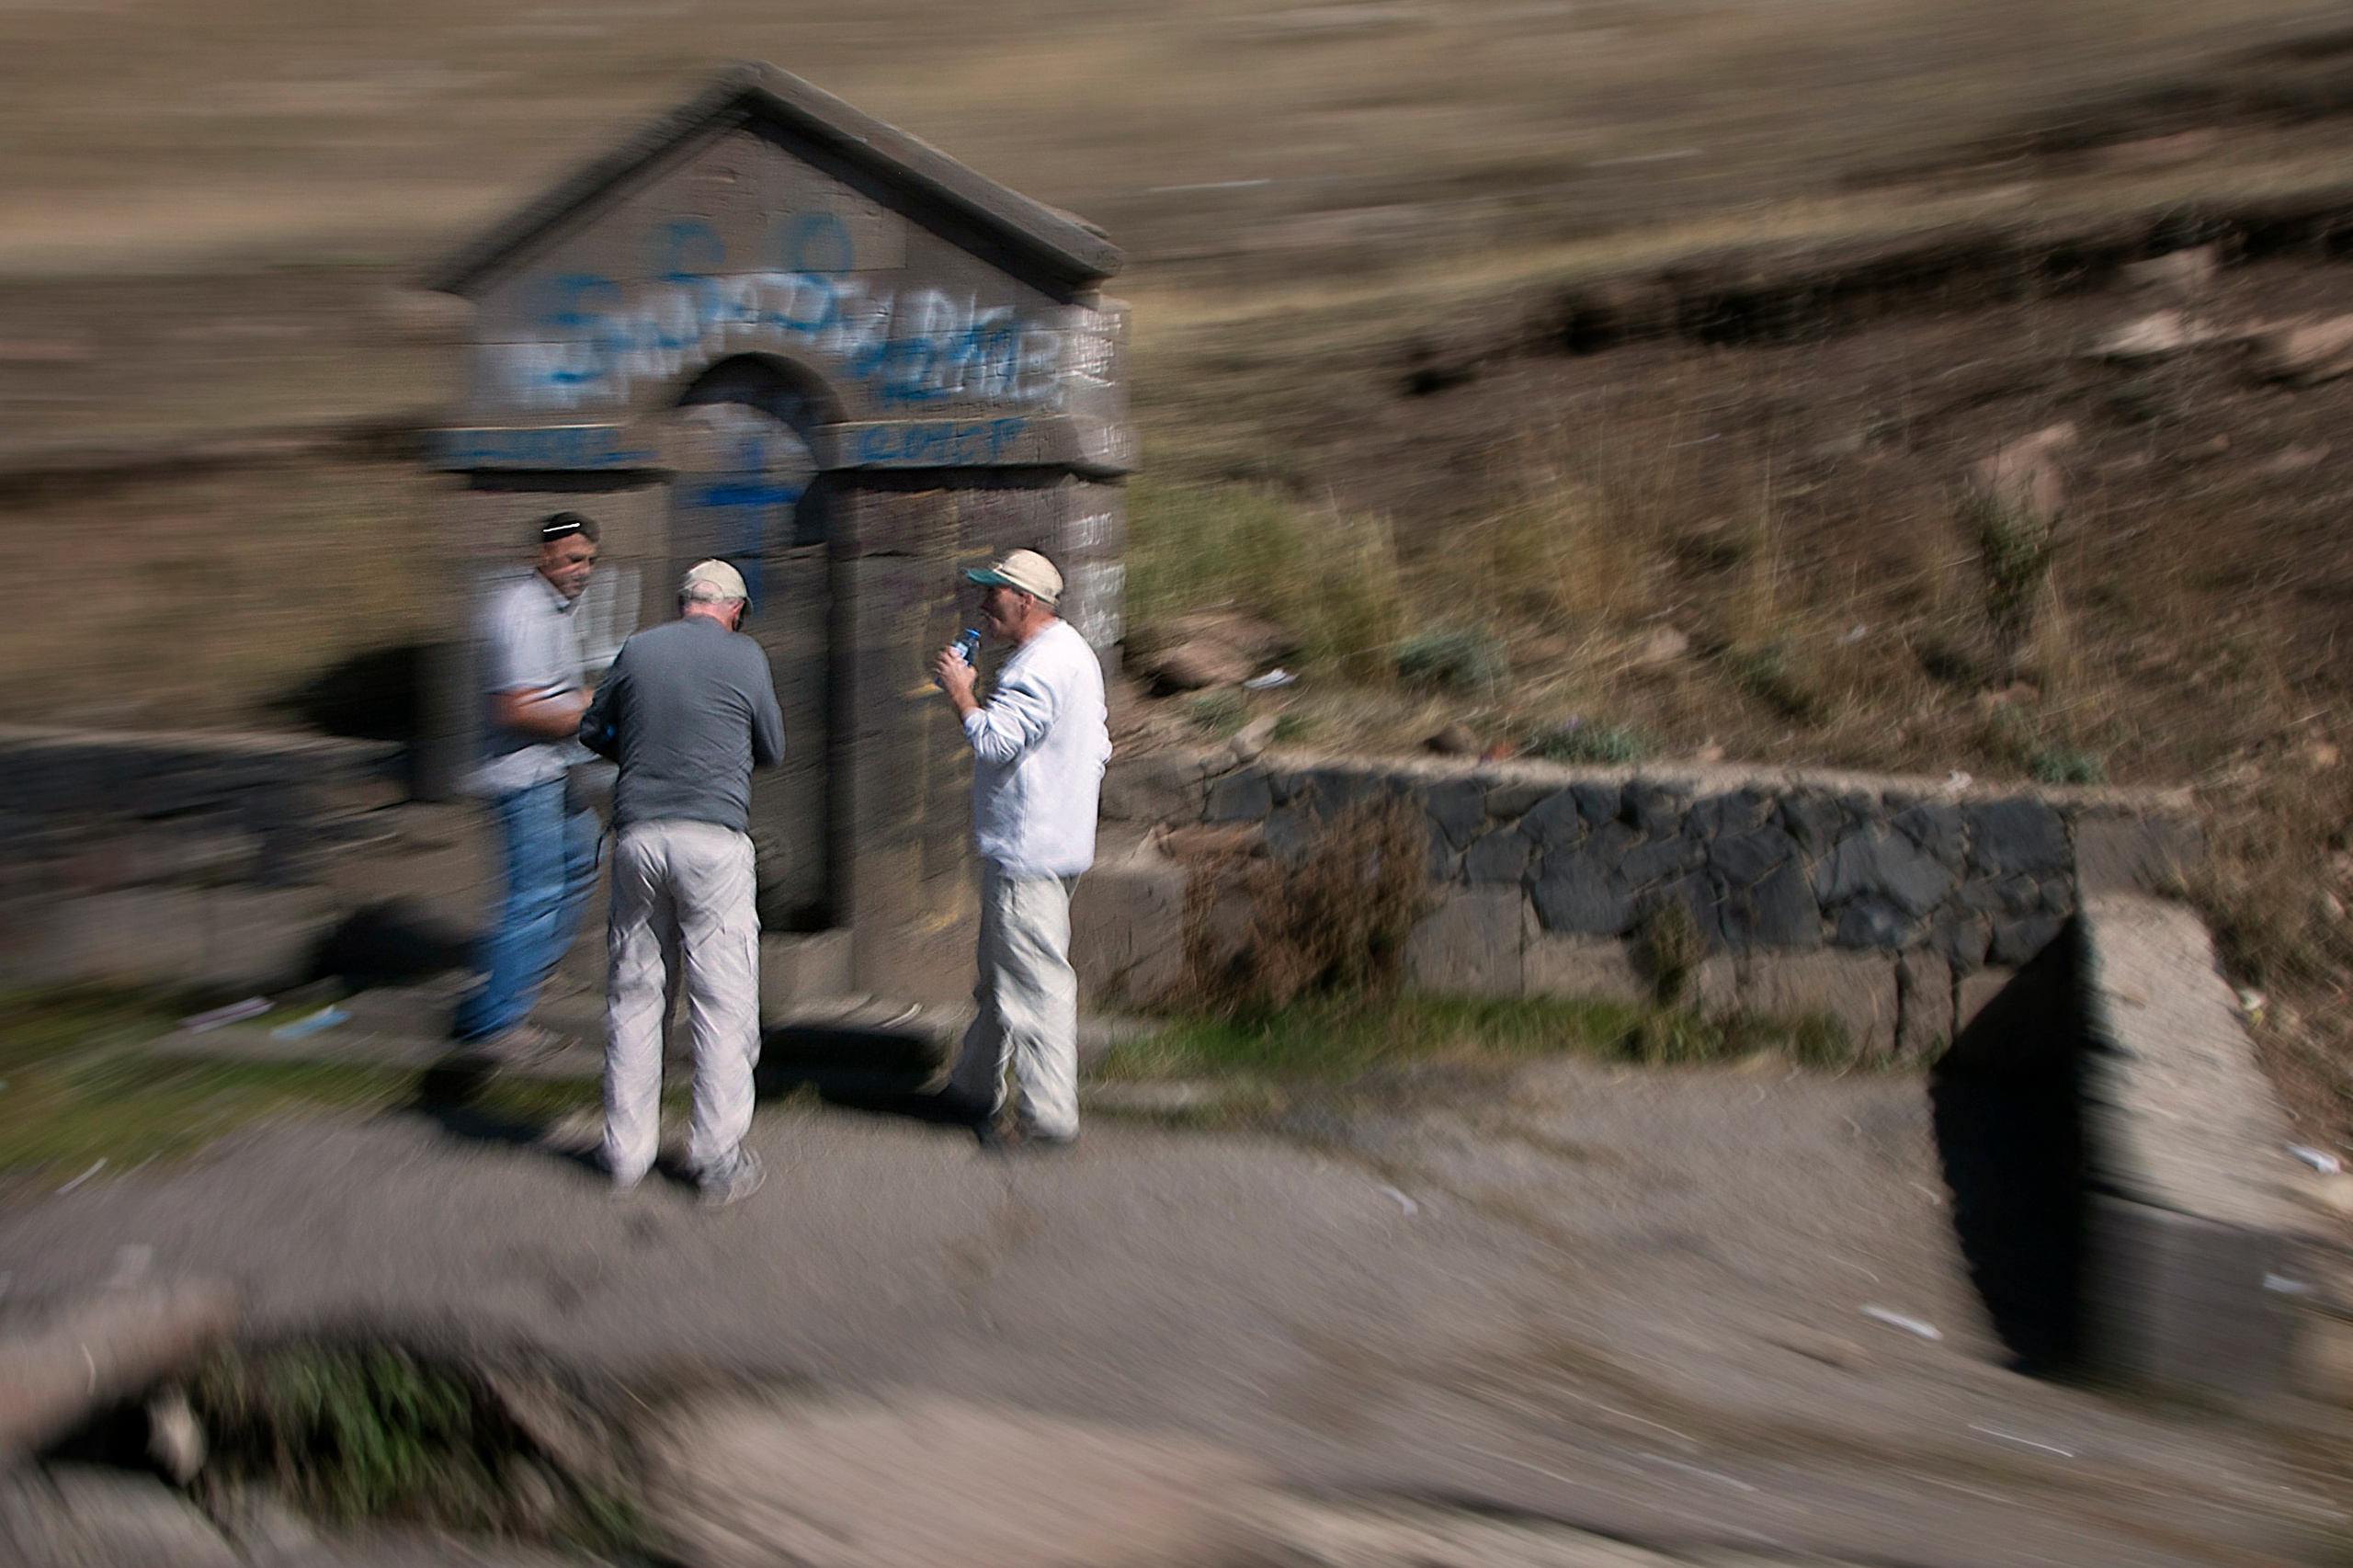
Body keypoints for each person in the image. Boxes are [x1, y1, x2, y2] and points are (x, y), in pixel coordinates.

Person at [579, 560, 784, 1204]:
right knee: (721, 1001)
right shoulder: (746, 656)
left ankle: (624, 1155)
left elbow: (592, 729)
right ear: (735, 610)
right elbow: (772, 747)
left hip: (638, 837)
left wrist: (643, 751)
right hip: (713, 842)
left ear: (682, 603)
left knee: (635, 995)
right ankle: (716, 1159)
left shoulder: (638, 648)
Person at [929, 548, 1111, 1152]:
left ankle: (1047, 1117)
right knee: (1000, 975)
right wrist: (1066, 795)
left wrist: (962, 693)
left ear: (1025, 601)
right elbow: (1099, 745)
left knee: (1034, 986)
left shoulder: (1035, 667)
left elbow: (994, 741)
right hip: (1055, 843)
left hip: (1025, 852)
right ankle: (972, 1086)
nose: (984, 603)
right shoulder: (1074, 654)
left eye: (995, 593)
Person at [452, 513, 604, 1057]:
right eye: (572, 559)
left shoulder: (552, 608)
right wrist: (589, 713)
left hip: (553, 770)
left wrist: (585, 702)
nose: (582, 570)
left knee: (581, 860)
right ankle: (496, 1023)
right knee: (533, 893)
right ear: (544, 556)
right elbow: (515, 710)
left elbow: (549, 692)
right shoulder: (522, 613)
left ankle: (527, 975)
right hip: (524, 777)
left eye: (589, 560)